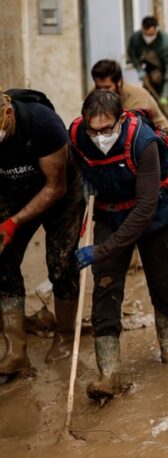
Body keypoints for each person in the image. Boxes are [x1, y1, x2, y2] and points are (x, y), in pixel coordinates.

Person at [69, 90, 168, 399]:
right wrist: (86, 182)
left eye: (107, 130)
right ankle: (110, 373)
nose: (100, 136)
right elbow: (76, 171)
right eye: (94, 130)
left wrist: (101, 250)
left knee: (163, 284)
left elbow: (145, 209)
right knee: (105, 287)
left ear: (121, 120)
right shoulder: (78, 136)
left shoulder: (143, 142)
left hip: (153, 215)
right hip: (108, 213)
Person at [0, 89, 84, 380]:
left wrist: (15, 222)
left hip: (60, 191)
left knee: (61, 263)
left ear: (7, 114)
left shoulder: (42, 124)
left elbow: (55, 187)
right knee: (3, 260)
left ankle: (64, 335)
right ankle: (15, 352)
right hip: (13, 192)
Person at [90, 59, 168, 153]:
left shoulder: (137, 98)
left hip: (158, 136)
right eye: (98, 87)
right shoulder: (95, 95)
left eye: (107, 87)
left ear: (119, 83)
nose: (102, 92)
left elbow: (137, 134)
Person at [126, 16, 168, 108]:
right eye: (147, 35)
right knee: (147, 107)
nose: (149, 38)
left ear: (156, 30)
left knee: (165, 110)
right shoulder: (136, 39)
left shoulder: (167, 45)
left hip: (166, 79)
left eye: (151, 35)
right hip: (148, 77)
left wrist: (165, 95)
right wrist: (140, 70)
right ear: (143, 29)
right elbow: (132, 55)